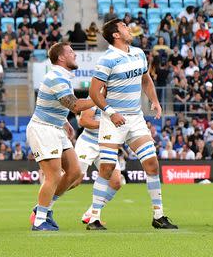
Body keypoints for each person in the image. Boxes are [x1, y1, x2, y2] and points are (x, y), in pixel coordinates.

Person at [86, 19, 176, 230]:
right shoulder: (107, 60)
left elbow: (146, 80)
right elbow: (93, 92)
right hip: (112, 120)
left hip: (135, 118)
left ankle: (158, 215)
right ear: (116, 35)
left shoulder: (138, 53)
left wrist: (154, 100)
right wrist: (110, 112)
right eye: (124, 27)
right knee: (107, 168)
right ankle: (94, 217)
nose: (129, 29)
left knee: (152, 164)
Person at [27, 43, 94, 231]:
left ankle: (44, 207)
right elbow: (74, 105)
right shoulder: (56, 77)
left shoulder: (64, 76)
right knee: (54, 175)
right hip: (43, 128)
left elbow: (59, 103)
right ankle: (40, 220)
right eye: (71, 52)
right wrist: (98, 98)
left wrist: (64, 121)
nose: (75, 55)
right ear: (61, 58)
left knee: (75, 172)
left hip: (56, 127)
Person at [74, 107, 124, 224]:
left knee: (116, 182)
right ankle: (43, 208)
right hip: (88, 143)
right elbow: (83, 121)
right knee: (74, 180)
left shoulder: (120, 99)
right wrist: (107, 124)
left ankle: (91, 213)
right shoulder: (94, 96)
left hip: (107, 144)